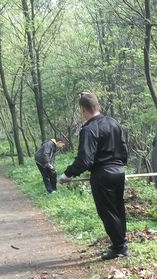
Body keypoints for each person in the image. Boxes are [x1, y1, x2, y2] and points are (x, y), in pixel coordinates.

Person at [58, 92, 129, 260]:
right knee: (118, 209)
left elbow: (85, 159)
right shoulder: (113, 123)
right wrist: (120, 165)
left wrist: (68, 174)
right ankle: (120, 243)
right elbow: (124, 148)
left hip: (102, 174)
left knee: (108, 212)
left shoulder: (89, 129)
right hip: (118, 172)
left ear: (83, 110)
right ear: (98, 106)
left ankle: (119, 247)